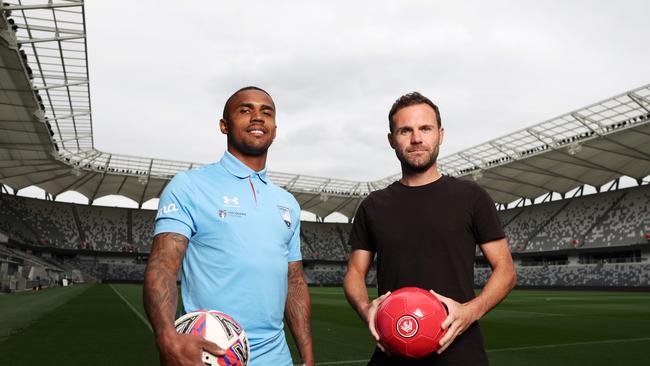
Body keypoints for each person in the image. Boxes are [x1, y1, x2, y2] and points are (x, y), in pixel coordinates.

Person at [143, 86, 314, 366]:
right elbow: (163, 265)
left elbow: (294, 281)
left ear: (274, 128)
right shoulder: (189, 186)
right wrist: (165, 335)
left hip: (278, 358)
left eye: (266, 112)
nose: (257, 117)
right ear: (224, 125)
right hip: (212, 356)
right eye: (245, 110)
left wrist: (307, 358)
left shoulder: (288, 203)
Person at [343, 92, 516, 365]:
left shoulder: (472, 197)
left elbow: (506, 270)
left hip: (460, 353)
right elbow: (354, 272)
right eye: (405, 130)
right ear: (391, 140)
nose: (416, 139)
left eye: (425, 128)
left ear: (440, 134)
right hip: (393, 350)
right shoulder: (373, 205)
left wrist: (471, 311)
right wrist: (366, 309)